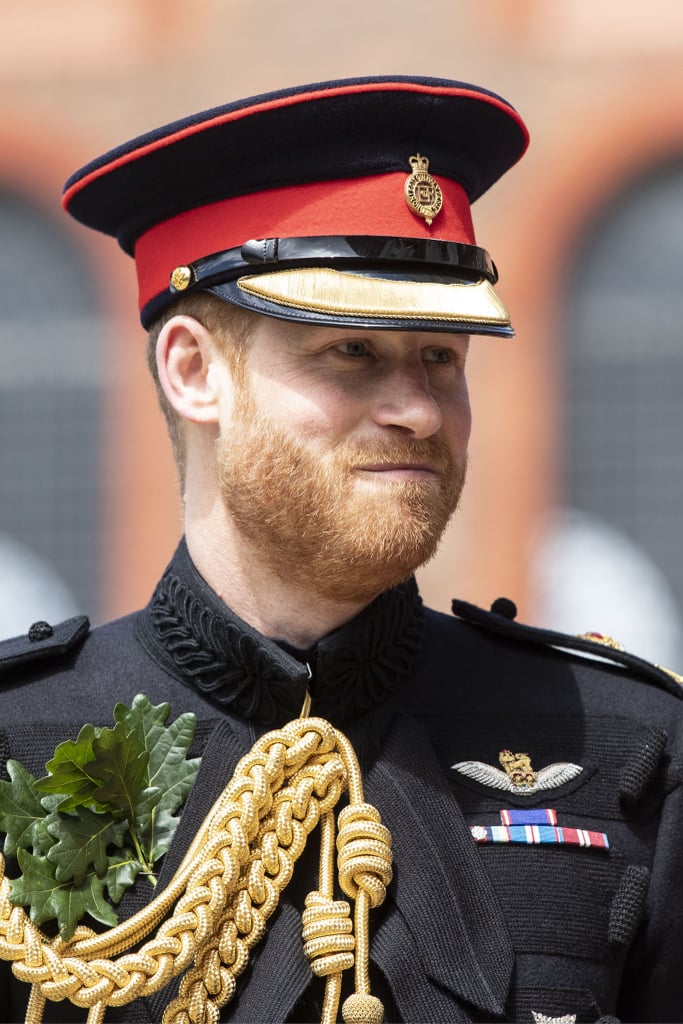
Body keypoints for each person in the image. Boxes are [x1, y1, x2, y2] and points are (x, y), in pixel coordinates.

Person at [0, 75, 681, 1024]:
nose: (417, 410)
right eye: (351, 352)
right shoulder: (15, 741)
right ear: (195, 371)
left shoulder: (625, 747)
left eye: (441, 357)